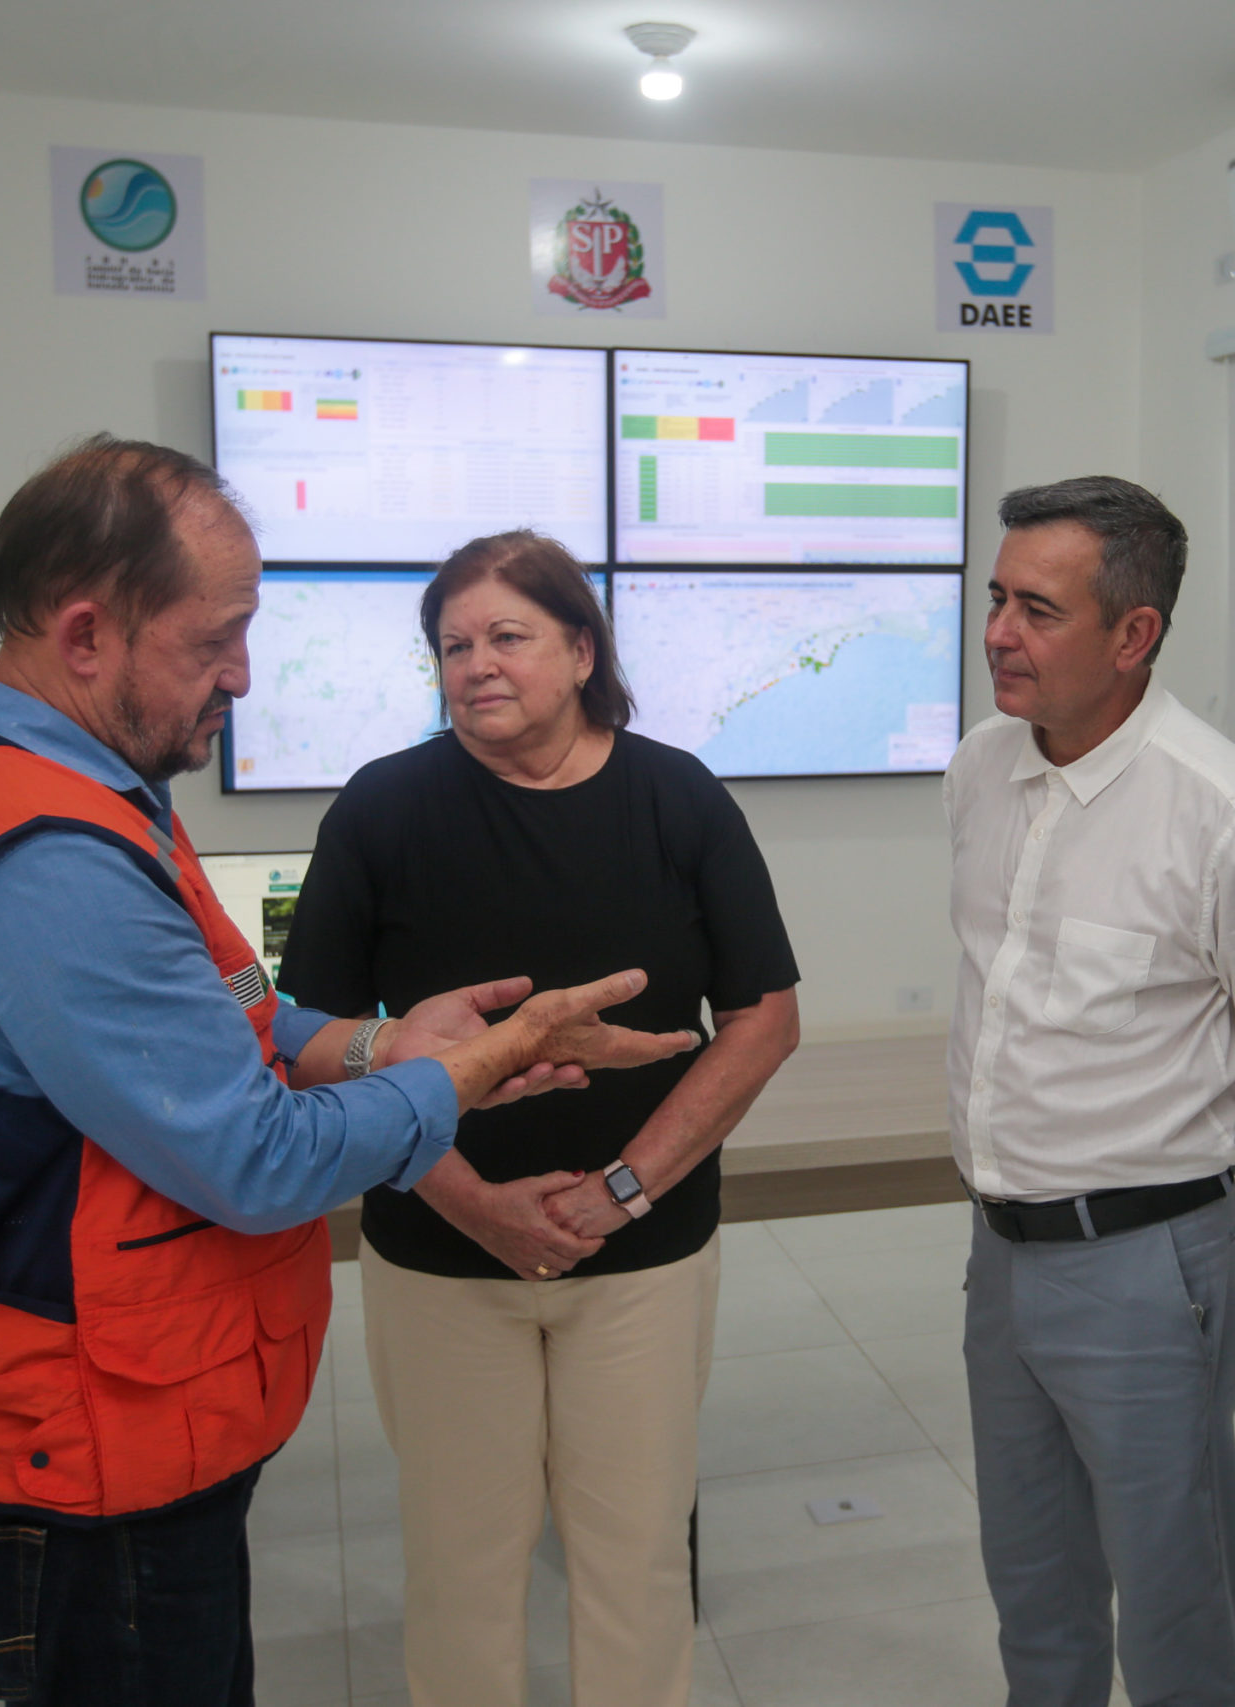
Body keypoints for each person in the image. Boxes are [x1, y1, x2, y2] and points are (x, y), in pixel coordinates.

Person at [0, 439, 697, 1707]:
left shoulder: (71, 777)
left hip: (97, 1423)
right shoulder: (49, 858)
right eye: (215, 639)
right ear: (84, 634)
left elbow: (238, 1003)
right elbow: (257, 1160)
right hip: (77, 1462)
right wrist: (483, 1062)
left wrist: (379, 1045)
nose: (243, 674)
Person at [279, 530, 801, 1707]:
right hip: (438, 1257)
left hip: (643, 1257)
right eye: (452, 645)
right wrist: (471, 1204)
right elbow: (306, 1032)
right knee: (460, 1572)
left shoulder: (679, 798)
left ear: (579, 649)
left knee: (633, 1565)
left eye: (507, 637)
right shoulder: (382, 808)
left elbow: (764, 1018)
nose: (475, 665)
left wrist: (618, 1191)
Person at [946, 476, 1235, 1707]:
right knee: (1034, 1588)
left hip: (1143, 1260)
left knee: (1173, 1614)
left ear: (1133, 635)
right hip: (999, 1254)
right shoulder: (978, 771)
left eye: (1038, 611)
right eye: (997, 599)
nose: (1000, 633)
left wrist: (1157, 1155)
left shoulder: (1228, 818)